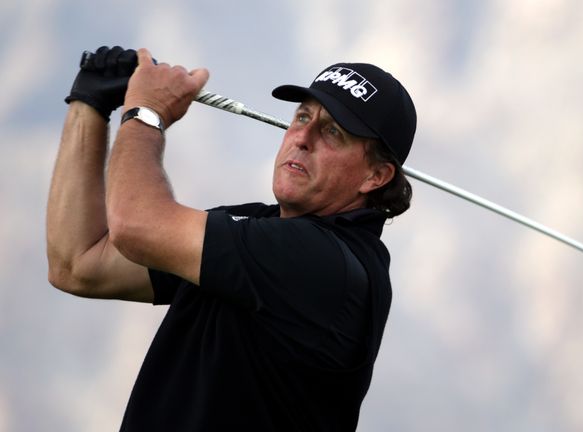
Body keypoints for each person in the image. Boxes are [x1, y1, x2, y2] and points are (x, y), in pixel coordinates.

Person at [46, 46, 417, 431]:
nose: (301, 137)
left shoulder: (324, 263)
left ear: (376, 176)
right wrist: (88, 103)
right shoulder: (259, 225)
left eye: (332, 132)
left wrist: (145, 111)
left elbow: (135, 224)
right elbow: (79, 263)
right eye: (302, 116)